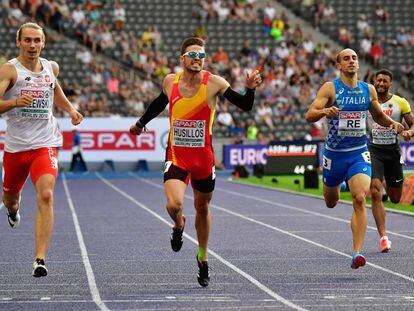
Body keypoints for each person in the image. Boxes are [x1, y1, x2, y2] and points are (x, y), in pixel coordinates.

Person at [129, 37, 262, 287]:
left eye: (201, 55)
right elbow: (159, 103)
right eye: (192, 55)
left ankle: (203, 257)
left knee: (202, 207)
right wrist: (140, 123)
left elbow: (244, 105)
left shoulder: (214, 83)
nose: (197, 59)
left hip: (203, 160)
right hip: (177, 156)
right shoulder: (171, 81)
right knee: (173, 204)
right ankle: (179, 224)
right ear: (182, 59)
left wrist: (250, 88)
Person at [305, 49, 404, 269]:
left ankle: (357, 252)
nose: (352, 61)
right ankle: (333, 186)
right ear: (339, 65)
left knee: (360, 198)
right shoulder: (330, 88)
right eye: (346, 58)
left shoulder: (368, 90)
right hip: (334, 155)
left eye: (355, 58)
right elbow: (309, 114)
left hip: (358, 153)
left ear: (358, 64)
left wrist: (393, 124)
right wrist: (325, 111)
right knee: (331, 202)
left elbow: (378, 115)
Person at [0, 22, 83, 277]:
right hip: (15, 147)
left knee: (46, 194)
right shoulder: (9, 70)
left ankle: (40, 259)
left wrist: (69, 109)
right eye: (27, 40)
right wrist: (15, 101)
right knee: (10, 200)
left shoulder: (51, 67)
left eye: (37, 40)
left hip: (44, 143)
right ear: (19, 42)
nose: (32, 45)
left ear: (43, 43)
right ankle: (14, 209)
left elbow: (54, 89)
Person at [368, 69, 414, 252]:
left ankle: (385, 179)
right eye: (378, 80)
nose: (380, 83)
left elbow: (411, 124)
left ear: (390, 83)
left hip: (393, 152)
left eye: (384, 81)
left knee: (395, 198)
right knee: (375, 192)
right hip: (373, 150)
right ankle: (383, 237)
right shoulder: (368, 102)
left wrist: (409, 132)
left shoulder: (400, 102)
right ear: (374, 82)